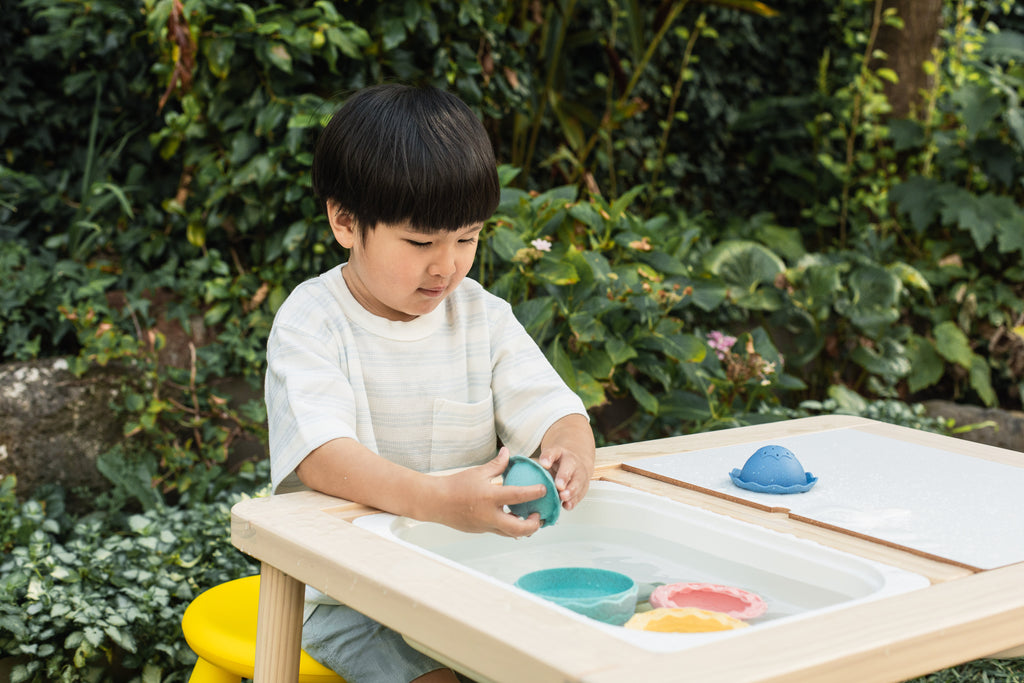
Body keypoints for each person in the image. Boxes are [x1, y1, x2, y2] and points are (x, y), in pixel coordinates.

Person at [264, 83, 596, 683]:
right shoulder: (314, 321)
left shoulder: (481, 316)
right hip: (353, 599)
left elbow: (552, 408)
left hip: (467, 579)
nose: (446, 265)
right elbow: (320, 455)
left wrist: (571, 450)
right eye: (420, 242)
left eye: (466, 238)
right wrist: (439, 501)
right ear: (345, 221)